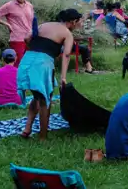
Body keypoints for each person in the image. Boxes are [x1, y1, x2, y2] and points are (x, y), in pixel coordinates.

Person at [18, 8, 83, 140]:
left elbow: (26, 38)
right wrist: (63, 77)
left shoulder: (44, 25)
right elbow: (66, 55)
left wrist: (36, 50)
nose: (79, 25)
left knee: (37, 96)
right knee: (45, 100)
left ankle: (27, 128)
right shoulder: (67, 33)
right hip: (43, 63)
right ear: (73, 21)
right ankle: (43, 137)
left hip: (27, 60)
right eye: (78, 22)